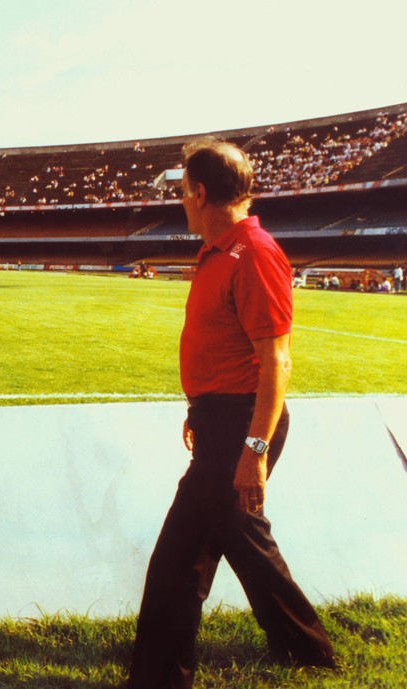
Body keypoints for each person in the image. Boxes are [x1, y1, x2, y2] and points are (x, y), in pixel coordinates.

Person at [126, 138, 335, 689]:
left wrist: (254, 449)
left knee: (181, 558)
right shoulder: (219, 250)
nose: (182, 203)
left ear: (199, 191)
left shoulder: (255, 253)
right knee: (241, 543)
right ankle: (308, 652)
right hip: (222, 420)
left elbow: (277, 361)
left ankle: (159, 676)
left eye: (183, 193)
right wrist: (201, 409)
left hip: (244, 425)